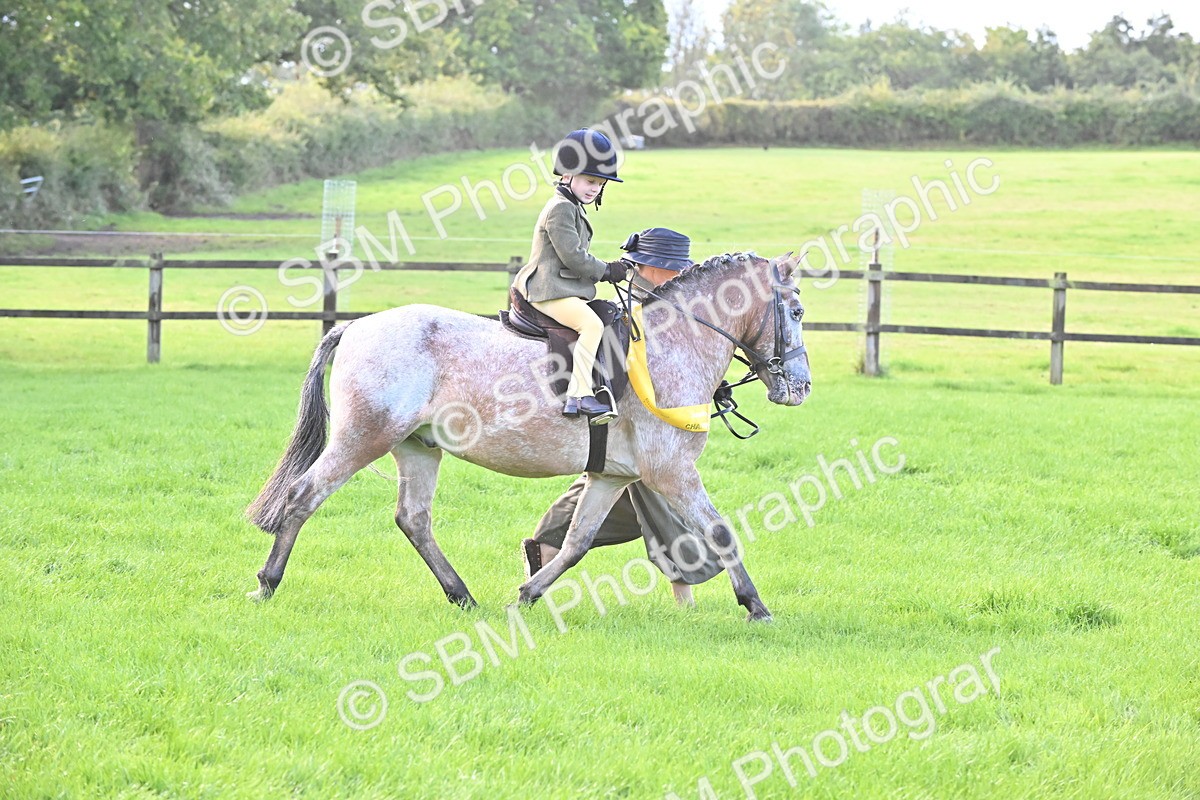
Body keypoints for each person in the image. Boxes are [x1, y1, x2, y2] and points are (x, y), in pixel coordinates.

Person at [520, 228, 725, 606]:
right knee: (656, 497)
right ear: (647, 267)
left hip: (651, 421)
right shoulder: (631, 304)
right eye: (671, 269)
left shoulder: (668, 302)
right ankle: (685, 598)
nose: (679, 275)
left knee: (632, 493)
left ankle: (545, 553)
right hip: (631, 419)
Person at [512, 128, 629, 425]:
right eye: (590, 181)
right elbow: (574, 257)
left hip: (564, 288)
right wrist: (607, 271)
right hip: (547, 289)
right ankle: (579, 393)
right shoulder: (561, 208)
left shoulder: (572, 206)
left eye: (600, 184)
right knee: (590, 324)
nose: (595, 189)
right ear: (567, 175)